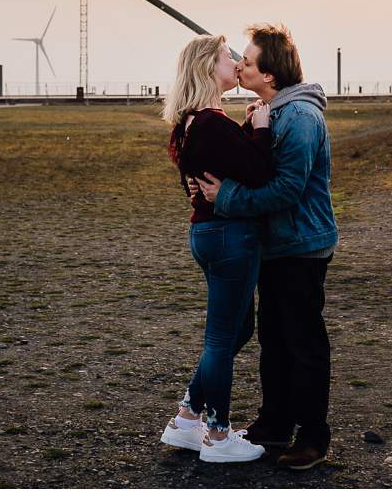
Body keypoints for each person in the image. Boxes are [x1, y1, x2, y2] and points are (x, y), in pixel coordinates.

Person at [193, 23, 338, 471]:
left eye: (249, 62)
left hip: (300, 246)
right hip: (277, 244)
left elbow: (287, 190)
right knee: (275, 340)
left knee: (303, 342)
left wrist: (226, 197)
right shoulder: (272, 110)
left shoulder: (298, 117)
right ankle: (275, 423)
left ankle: (313, 436)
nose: (239, 65)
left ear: (270, 75)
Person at [158, 34, 273, 463]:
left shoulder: (192, 123)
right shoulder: (211, 123)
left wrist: (244, 129)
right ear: (209, 66)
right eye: (229, 56)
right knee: (222, 338)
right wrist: (261, 131)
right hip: (229, 236)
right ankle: (218, 437)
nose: (237, 62)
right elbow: (259, 173)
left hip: (207, 234)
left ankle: (188, 419)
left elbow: (225, 165)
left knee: (237, 330)